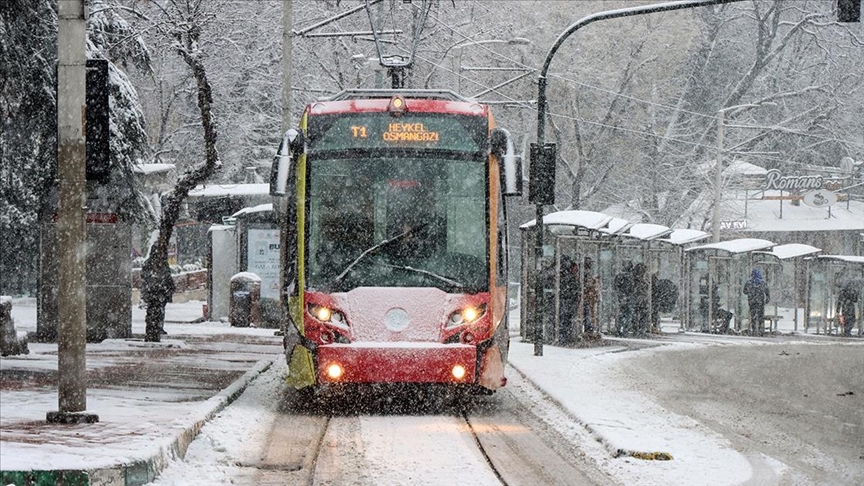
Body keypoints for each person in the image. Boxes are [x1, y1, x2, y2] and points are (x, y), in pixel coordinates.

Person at [558, 256, 581, 345]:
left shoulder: (565, 275)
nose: (577, 269)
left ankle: (565, 336)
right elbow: (574, 288)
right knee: (566, 320)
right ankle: (564, 337)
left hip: (569, 300)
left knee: (566, 320)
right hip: (568, 301)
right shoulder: (570, 277)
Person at [743, 268, 770, 336]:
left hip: (752, 302)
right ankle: (761, 329)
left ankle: (754, 329)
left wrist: (751, 292)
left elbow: (744, 291)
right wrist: (767, 298)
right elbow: (767, 292)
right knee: (760, 316)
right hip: (760, 302)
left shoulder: (749, 282)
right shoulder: (762, 282)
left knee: (753, 316)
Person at [613, 261, 634, 335]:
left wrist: (620, 294)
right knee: (628, 314)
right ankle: (625, 329)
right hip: (628, 297)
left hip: (621, 297)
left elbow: (616, 286)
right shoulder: (631, 276)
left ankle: (618, 329)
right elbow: (632, 288)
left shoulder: (619, 276)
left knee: (622, 313)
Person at [582, 257, 600, 338]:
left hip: (587, 296)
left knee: (587, 312)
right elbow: (588, 284)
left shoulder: (584, 272)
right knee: (588, 312)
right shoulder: (586, 273)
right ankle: (589, 327)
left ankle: (588, 327)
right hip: (587, 296)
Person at [631, 263, 650, 336]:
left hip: (638, 299)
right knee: (642, 314)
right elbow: (639, 289)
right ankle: (640, 329)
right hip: (640, 299)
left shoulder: (635, 278)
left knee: (637, 314)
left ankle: (637, 329)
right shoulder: (639, 280)